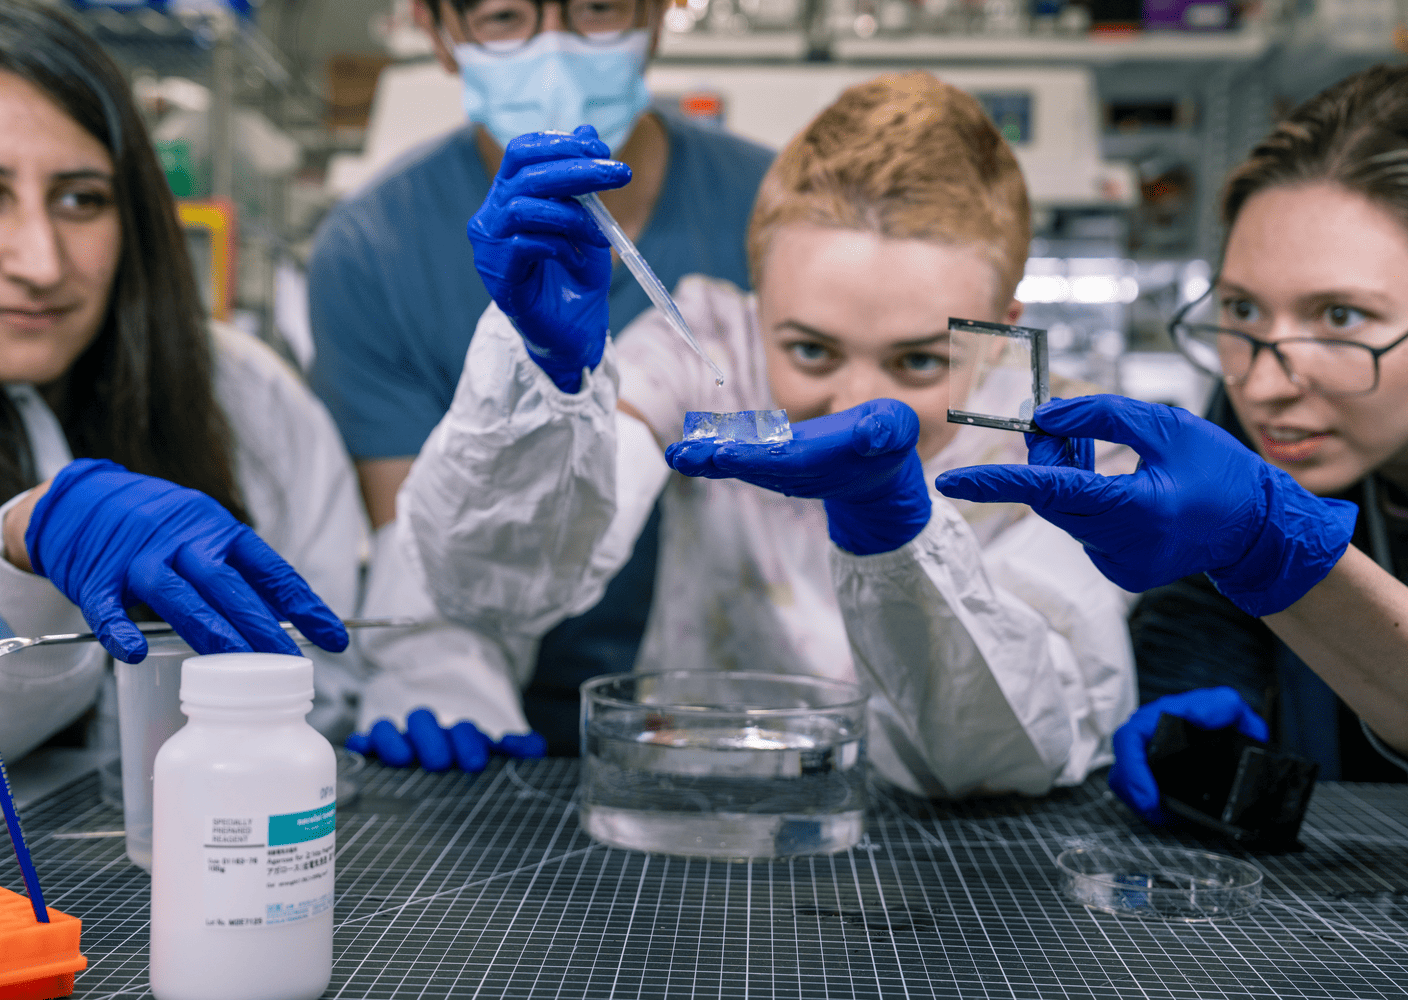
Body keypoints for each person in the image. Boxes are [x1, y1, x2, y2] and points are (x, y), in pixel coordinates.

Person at [394, 74, 1140, 798]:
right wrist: (550, 381)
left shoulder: (1069, 446)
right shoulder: (708, 353)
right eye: (810, 350)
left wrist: (894, 534)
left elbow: (1017, 749)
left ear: (999, 334)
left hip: (961, 864)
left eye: (918, 360)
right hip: (701, 809)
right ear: (758, 308)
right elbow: (510, 576)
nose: (855, 403)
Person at [0, 0, 362, 783]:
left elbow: (334, 681)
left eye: (83, 198)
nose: (41, 262)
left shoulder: (241, 392)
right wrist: (19, 545)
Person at [308, 0, 774, 755]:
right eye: (503, 15)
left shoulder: (772, 211)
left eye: (596, 7)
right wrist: (440, 671)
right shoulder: (372, 248)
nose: (554, 50)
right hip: (510, 717)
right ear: (438, 33)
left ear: (657, 14)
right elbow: (413, 538)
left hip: (746, 714)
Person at [936, 392, 1408, 820]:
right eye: (1241, 310)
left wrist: (1270, 540)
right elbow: (1202, 610)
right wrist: (1189, 707)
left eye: (1342, 317)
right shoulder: (1256, 411)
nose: (1265, 381)